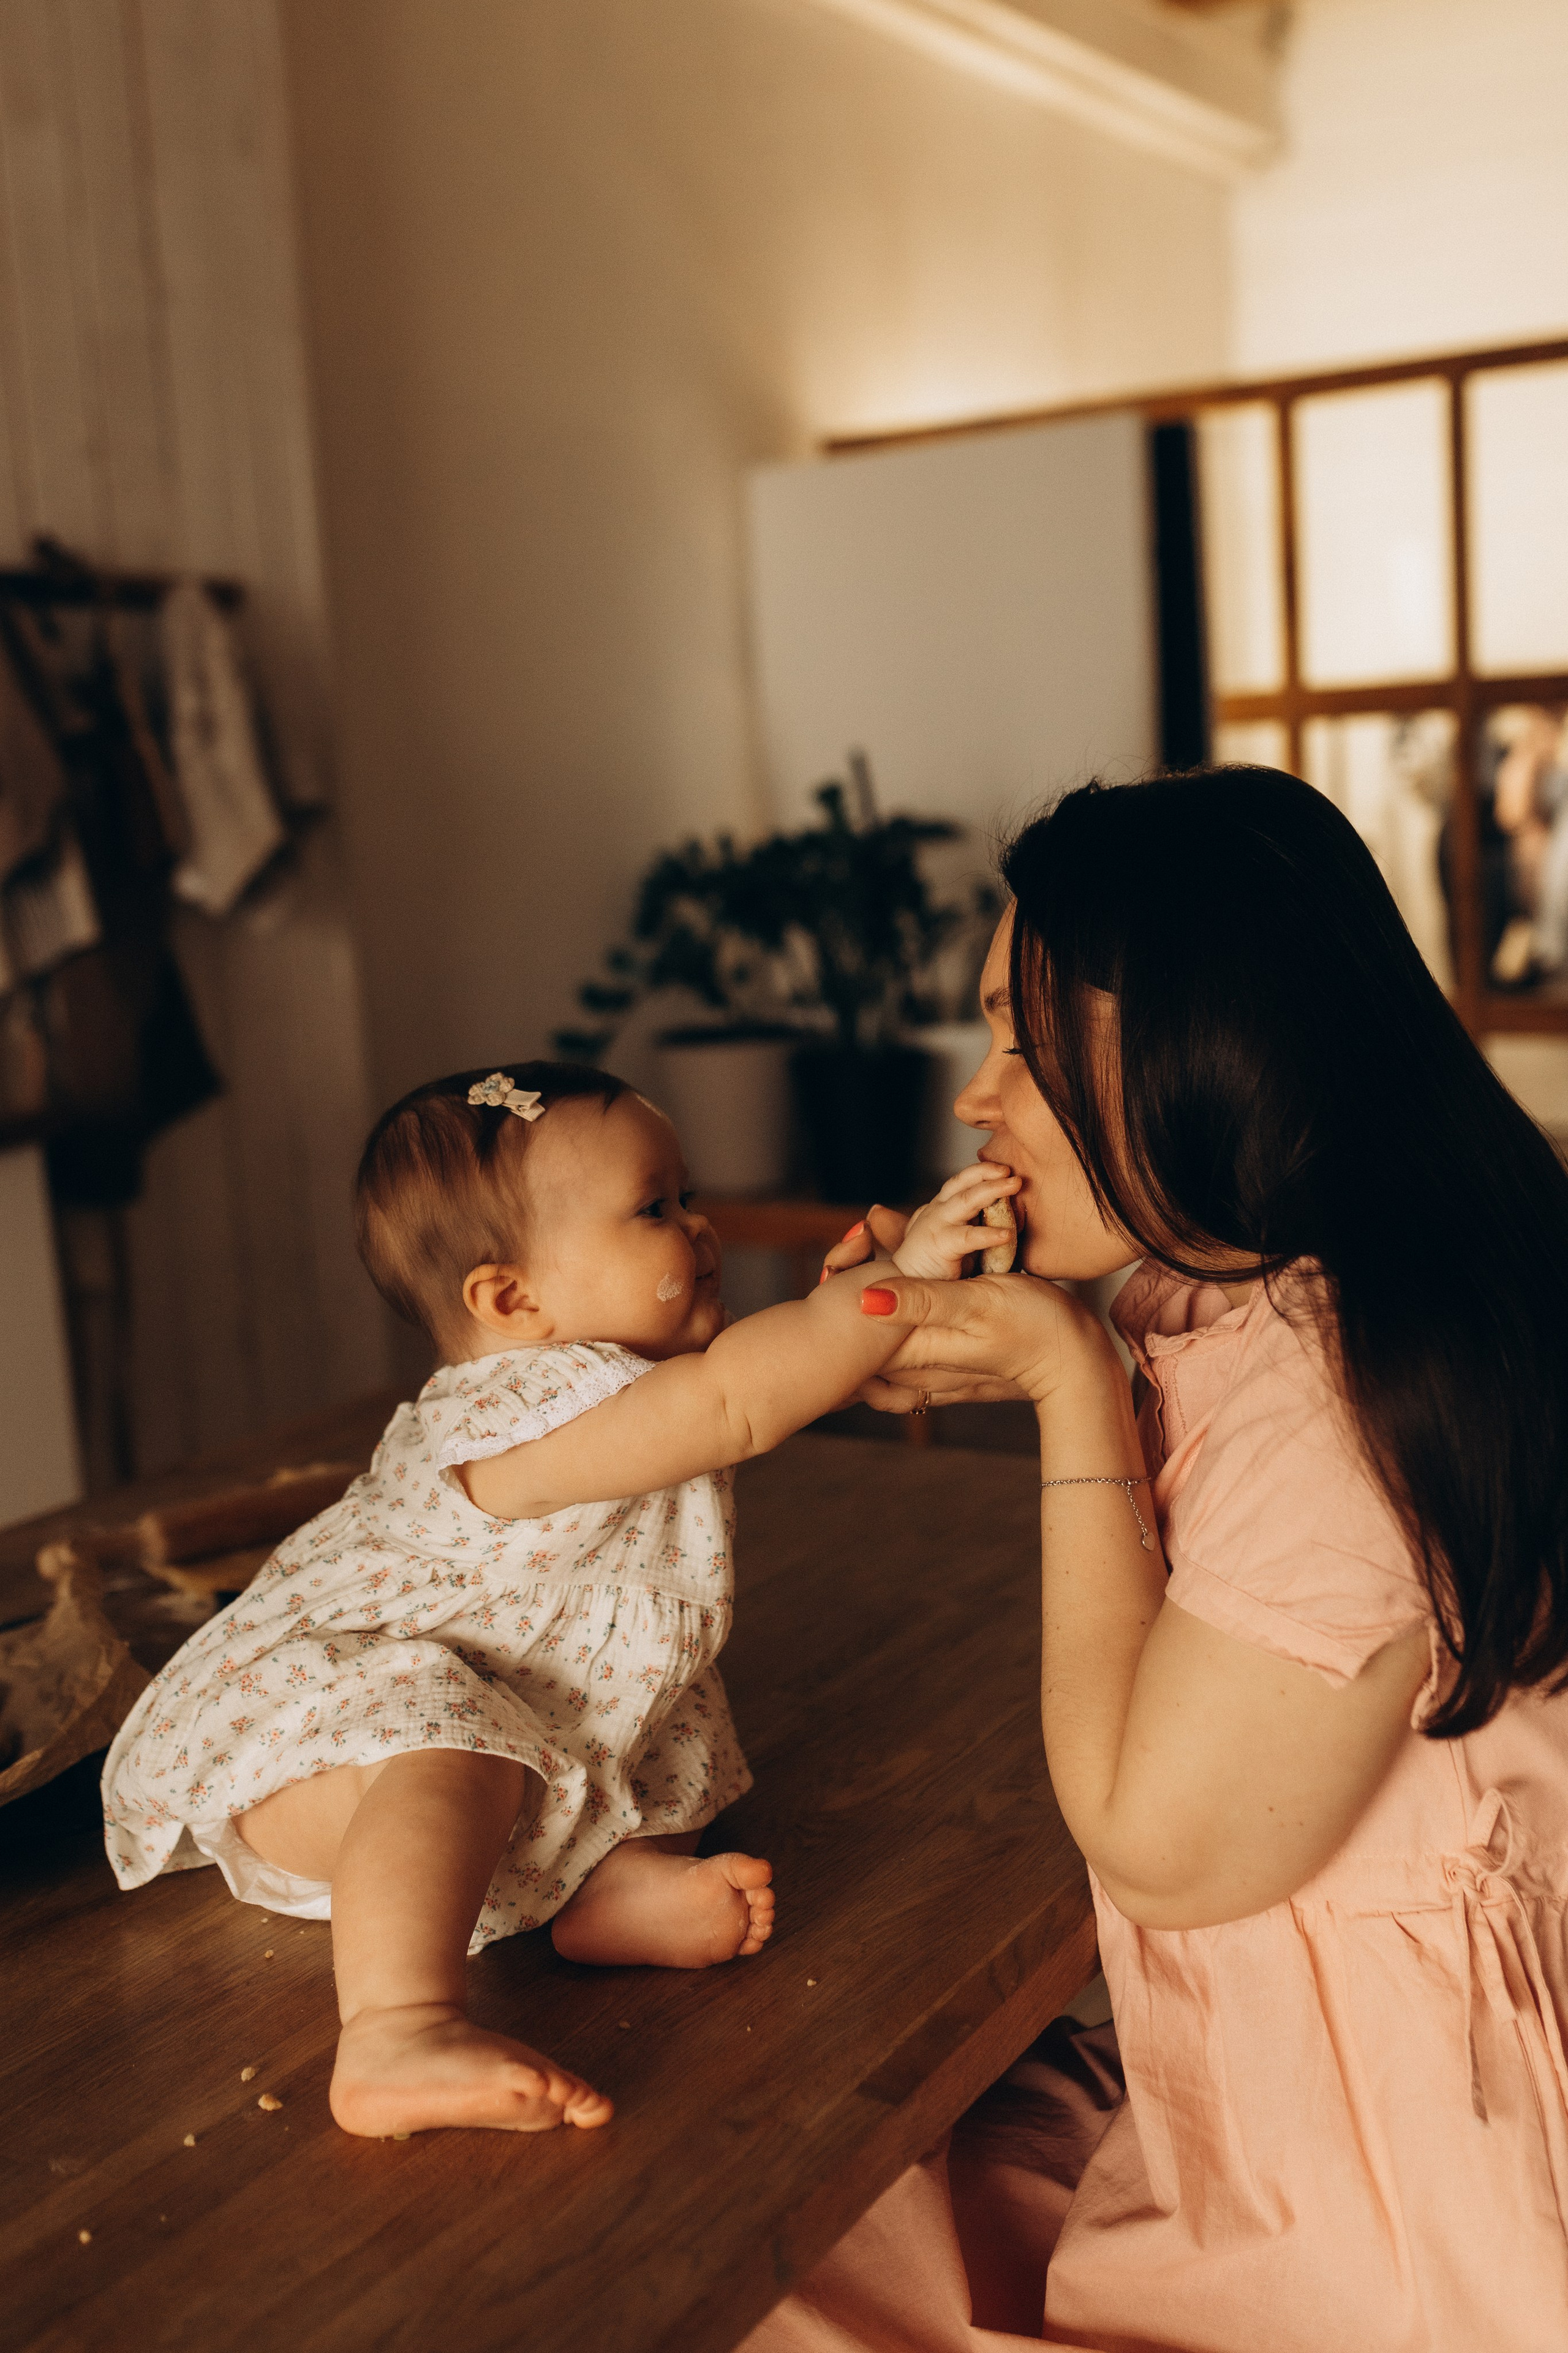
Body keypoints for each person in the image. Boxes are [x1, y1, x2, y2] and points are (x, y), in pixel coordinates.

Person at [753, 767, 1568, 2352]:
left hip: (1400, 2235)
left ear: (1209, 1037)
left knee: (734, 2270)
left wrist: (1060, 1385)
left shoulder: (1338, 1392)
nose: (975, 1098)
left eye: (1023, 1039)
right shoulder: (1282, 1296)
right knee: (792, 2219)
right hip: (1273, 2109)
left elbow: (1154, 1844)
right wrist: (1030, 1360)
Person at [100, 1060, 1017, 2141]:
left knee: (656, 1725)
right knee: (451, 1746)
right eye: (655, 1209)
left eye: (688, 1196)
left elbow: (734, 1378)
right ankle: (397, 2023)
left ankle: (605, 1886)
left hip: (517, 1703)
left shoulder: (620, 1376)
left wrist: (833, 1336)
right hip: (323, 1746)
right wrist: (889, 1291)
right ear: (512, 1299)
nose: (701, 1226)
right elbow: (733, 1400)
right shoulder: (514, 1410)